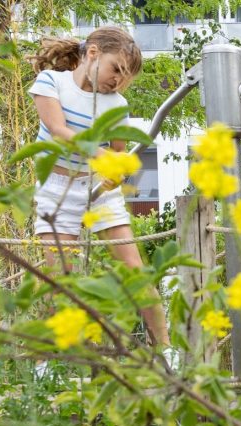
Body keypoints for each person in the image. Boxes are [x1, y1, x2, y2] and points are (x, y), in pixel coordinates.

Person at [28, 27, 168, 345]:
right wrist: (99, 153)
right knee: (60, 278)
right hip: (57, 188)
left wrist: (116, 172)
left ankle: (166, 351)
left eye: (125, 76)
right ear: (92, 53)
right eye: (115, 69)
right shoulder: (53, 82)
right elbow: (58, 128)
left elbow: (117, 156)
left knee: (135, 270)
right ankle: (56, 361)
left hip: (98, 191)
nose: (118, 80)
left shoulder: (116, 104)